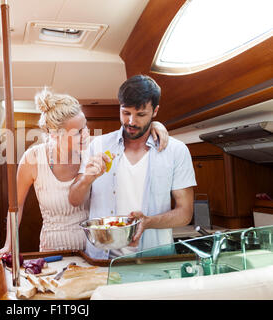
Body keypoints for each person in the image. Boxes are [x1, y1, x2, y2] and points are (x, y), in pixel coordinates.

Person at [0, 88, 169, 270]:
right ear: (55, 135)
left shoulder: (92, 147)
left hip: (92, 252)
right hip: (52, 252)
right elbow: (16, 206)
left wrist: (155, 126)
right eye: (77, 132)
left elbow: (125, 137)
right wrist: (8, 245)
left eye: (85, 126)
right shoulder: (33, 159)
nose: (85, 134)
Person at [69, 75, 196, 259]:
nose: (131, 121)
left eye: (141, 115)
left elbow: (185, 213)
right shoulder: (98, 146)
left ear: (155, 111)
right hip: (102, 260)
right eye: (126, 112)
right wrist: (87, 178)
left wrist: (148, 222)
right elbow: (74, 200)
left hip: (154, 260)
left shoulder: (176, 151)